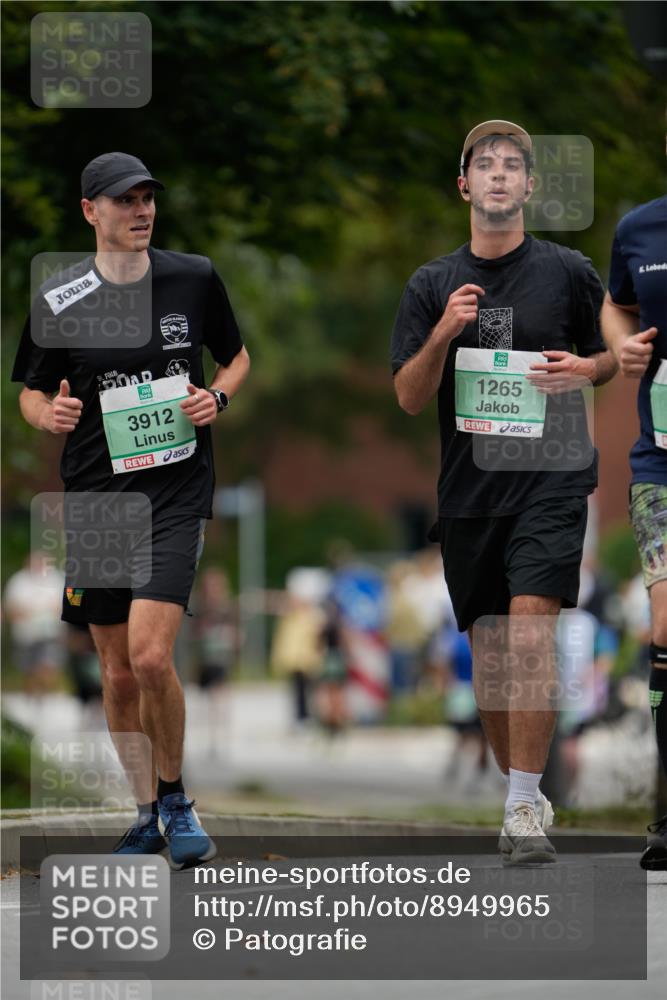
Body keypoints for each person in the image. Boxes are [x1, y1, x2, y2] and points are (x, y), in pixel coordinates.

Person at [11, 152, 250, 868]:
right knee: (114, 673)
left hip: (175, 490)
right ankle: (145, 811)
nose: (140, 211)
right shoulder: (58, 298)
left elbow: (235, 358)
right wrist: (43, 413)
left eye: (148, 198)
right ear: (91, 211)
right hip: (96, 500)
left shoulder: (193, 277)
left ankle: (176, 800)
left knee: (150, 656)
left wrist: (220, 397)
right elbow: (28, 389)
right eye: (124, 201)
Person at [391, 120, 616, 865]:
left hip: (552, 482)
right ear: (463, 186)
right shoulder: (430, 284)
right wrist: (441, 336)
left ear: (528, 187)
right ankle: (519, 788)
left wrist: (586, 372)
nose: (496, 174)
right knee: (491, 664)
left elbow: (609, 354)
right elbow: (408, 397)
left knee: (529, 635)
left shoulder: (567, 272)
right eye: (482, 164)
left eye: (511, 165)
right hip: (468, 496)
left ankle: (523, 808)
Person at [601, 190, 667, 871]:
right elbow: (615, 301)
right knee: (665, 623)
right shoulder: (639, 227)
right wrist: (622, 345)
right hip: (661, 462)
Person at [4, 551, 65, 699]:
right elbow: (10, 608)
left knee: (48, 666)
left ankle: (47, 697)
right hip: (26, 635)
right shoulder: (18, 581)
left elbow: (66, 604)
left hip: (51, 633)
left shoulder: (56, 579)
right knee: (29, 670)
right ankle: (32, 699)